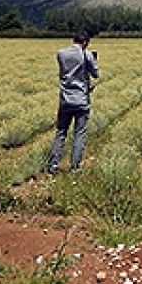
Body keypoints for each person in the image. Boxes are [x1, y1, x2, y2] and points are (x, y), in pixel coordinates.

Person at [46, 30, 99, 175]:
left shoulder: (61, 53)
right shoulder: (86, 54)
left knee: (61, 132)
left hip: (65, 99)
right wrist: (93, 60)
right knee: (79, 134)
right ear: (85, 42)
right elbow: (95, 73)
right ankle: (75, 168)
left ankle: (53, 165)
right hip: (81, 100)